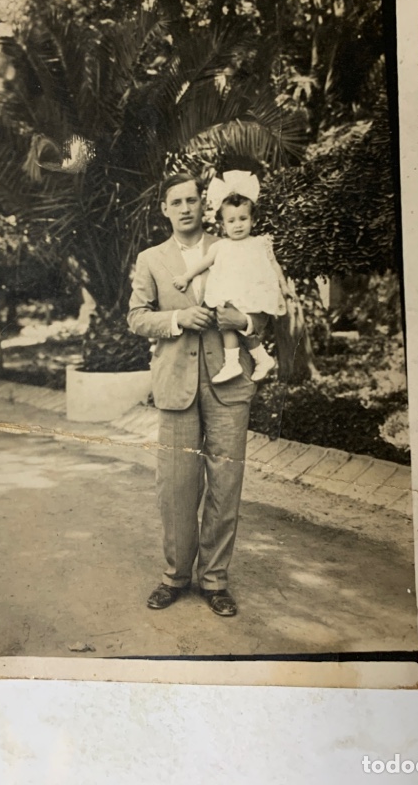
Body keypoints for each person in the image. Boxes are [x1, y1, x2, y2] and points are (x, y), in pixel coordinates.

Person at [127, 172, 257, 617]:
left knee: (226, 483)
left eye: (192, 201)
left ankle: (215, 580)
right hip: (176, 384)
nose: (185, 208)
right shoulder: (151, 260)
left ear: (205, 206)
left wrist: (246, 323)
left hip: (229, 380)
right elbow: (137, 318)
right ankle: (176, 576)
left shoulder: (236, 246)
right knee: (177, 486)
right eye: (176, 201)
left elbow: (266, 303)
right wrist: (180, 318)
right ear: (165, 209)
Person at [172, 170, 292, 384]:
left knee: (238, 324)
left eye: (243, 219)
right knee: (226, 323)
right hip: (230, 292)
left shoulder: (260, 243)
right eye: (231, 221)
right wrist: (185, 277)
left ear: (252, 220)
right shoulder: (221, 246)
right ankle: (239, 362)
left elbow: (274, 265)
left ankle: (253, 359)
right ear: (222, 224)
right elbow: (204, 263)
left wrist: (284, 287)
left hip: (253, 291)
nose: (238, 225)